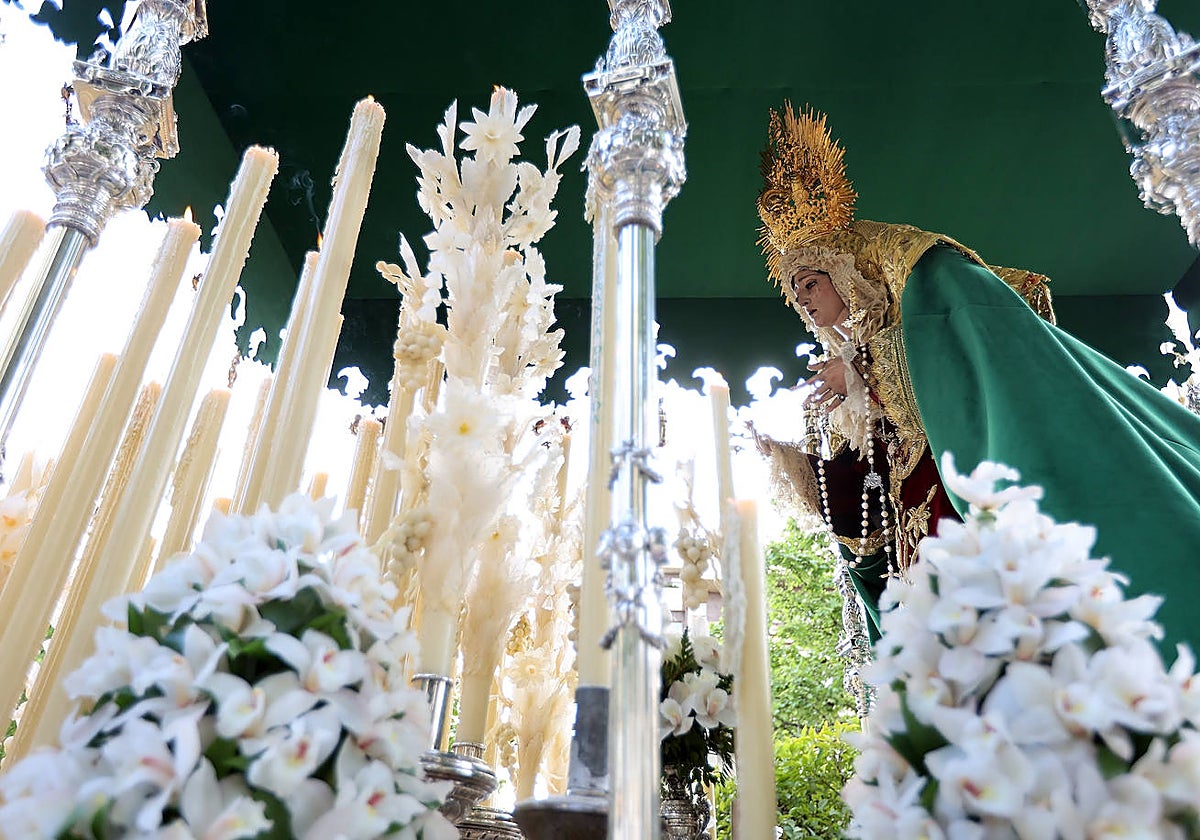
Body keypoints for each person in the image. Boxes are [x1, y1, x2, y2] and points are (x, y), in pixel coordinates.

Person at [752, 104, 1200, 653]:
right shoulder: (859, 379)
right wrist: (810, 470)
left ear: (849, 271)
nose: (801, 298)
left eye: (810, 281)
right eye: (793, 290)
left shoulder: (926, 298)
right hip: (922, 564)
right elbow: (874, 497)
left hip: (967, 523)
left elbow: (970, 346)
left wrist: (866, 366)